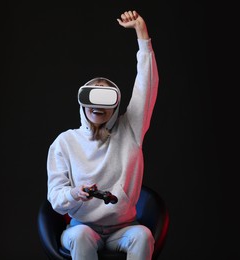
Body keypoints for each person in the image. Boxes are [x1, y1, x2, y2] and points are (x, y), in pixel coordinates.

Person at [46, 10, 159, 260]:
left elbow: (146, 87)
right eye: (92, 97)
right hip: (81, 227)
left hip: (123, 228)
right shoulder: (65, 142)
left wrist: (142, 35)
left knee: (144, 236)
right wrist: (75, 193)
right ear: (82, 103)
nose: (97, 106)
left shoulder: (130, 131)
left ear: (115, 104)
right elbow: (55, 197)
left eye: (106, 98)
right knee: (80, 236)